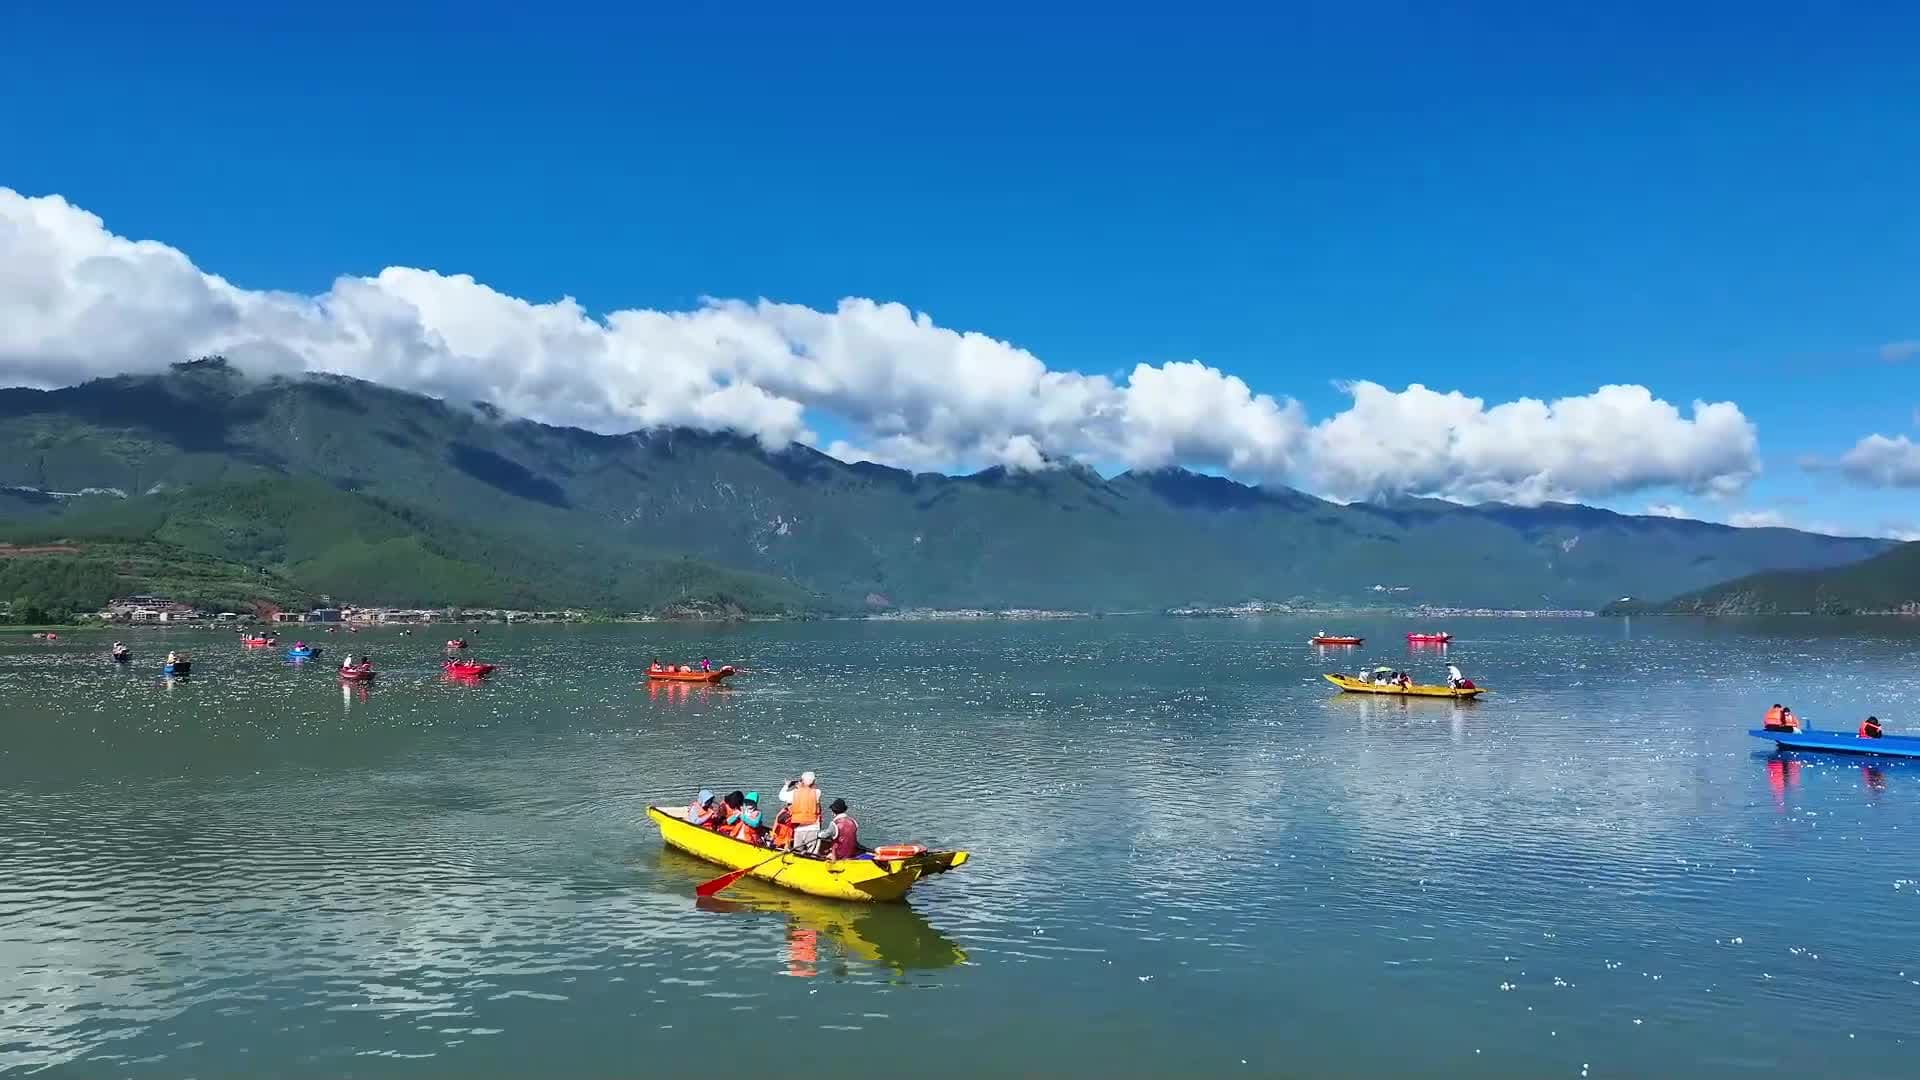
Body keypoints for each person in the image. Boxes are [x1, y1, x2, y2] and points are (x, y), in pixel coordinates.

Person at [780, 771, 824, 854]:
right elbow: (812, 789)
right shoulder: (817, 792)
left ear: (802, 781)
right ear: (814, 782)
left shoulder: (794, 793)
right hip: (813, 828)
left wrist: (787, 785)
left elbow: (781, 796)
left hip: (799, 828)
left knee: (797, 853)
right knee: (812, 854)